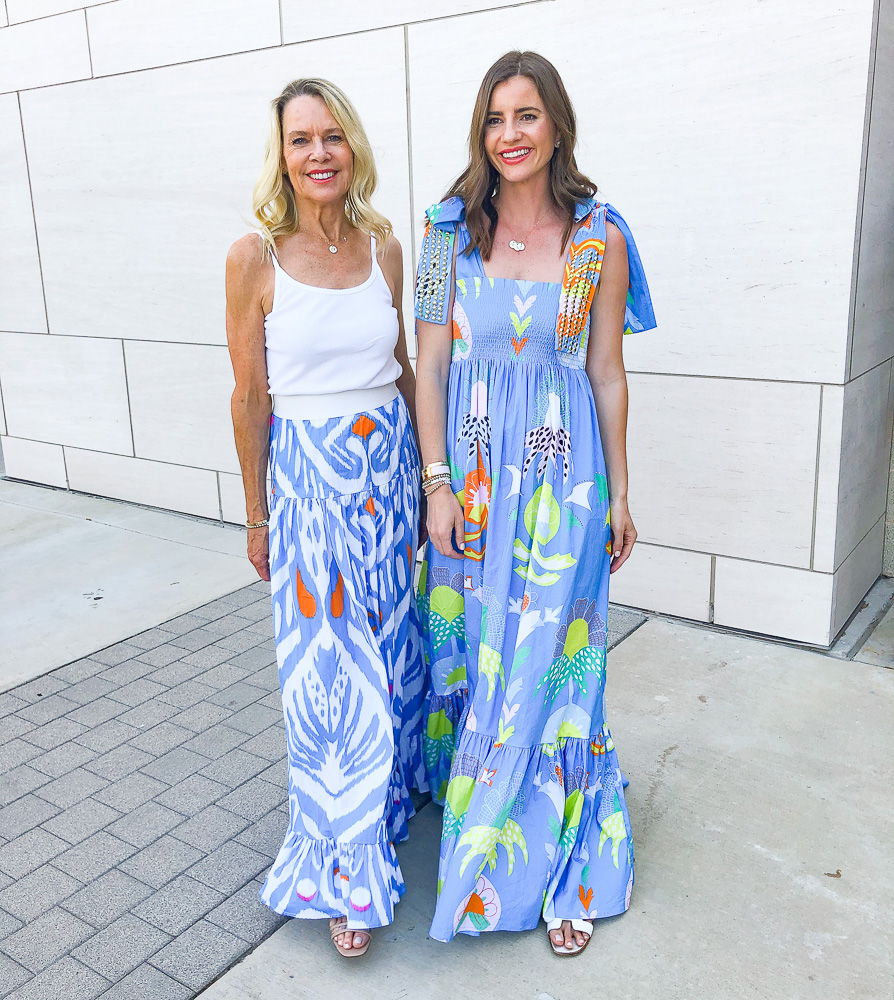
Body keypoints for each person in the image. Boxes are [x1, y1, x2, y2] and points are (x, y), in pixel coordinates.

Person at [414, 51, 656, 954]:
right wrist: (436, 483)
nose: (509, 135)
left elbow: (605, 368)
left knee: (556, 672)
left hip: (564, 486)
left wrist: (622, 494)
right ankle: (481, 829)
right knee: (482, 663)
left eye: (526, 115)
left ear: (556, 123)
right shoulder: (443, 235)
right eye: (494, 118)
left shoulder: (601, 237)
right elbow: (430, 366)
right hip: (470, 486)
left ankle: (566, 867)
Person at [225, 77, 426, 958]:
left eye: (332, 137)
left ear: (354, 148)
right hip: (308, 485)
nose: (318, 154)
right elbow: (248, 398)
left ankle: (385, 813)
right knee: (327, 685)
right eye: (301, 139)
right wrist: (257, 512)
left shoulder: (386, 248)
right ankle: (343, 871)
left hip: (387, 472)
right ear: (282, 155)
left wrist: (430, 477)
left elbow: (407, 366)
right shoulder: (252, 260)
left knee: (390, 655)